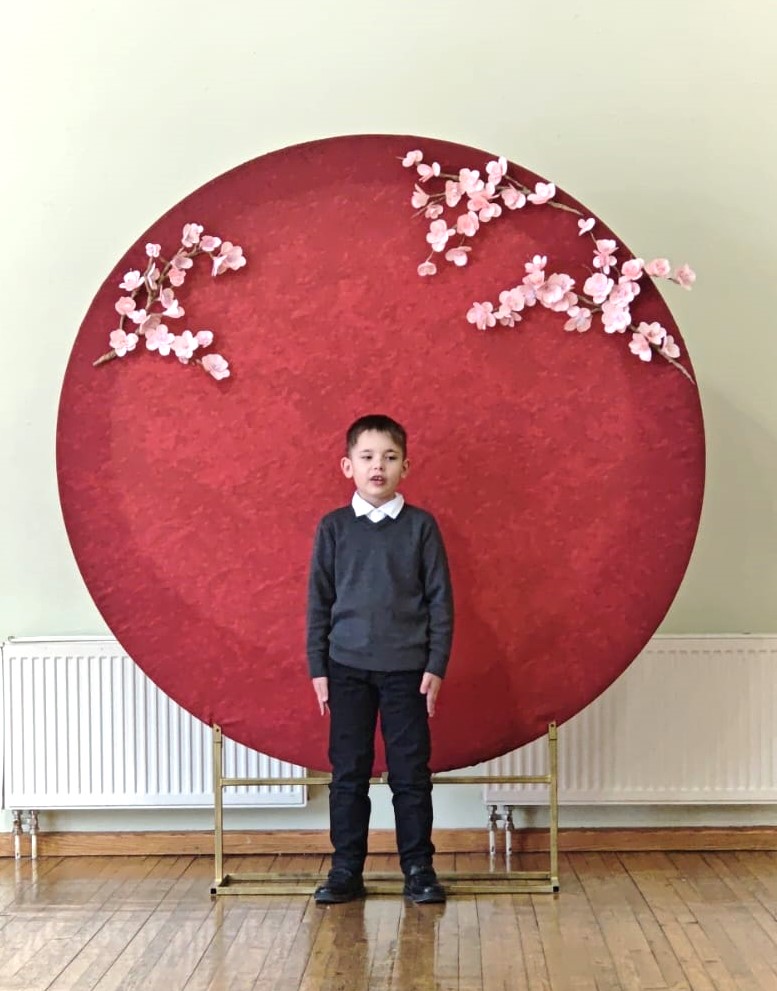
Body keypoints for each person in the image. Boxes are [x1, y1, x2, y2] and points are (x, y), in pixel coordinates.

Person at [306, 414, 454, 904]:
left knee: (411, 773)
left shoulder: (421, 527)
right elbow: (318, 601)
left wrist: (436, 664)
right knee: (348, 773)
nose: (378, 467)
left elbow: (440, 601)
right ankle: (346, 868)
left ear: (405, 467)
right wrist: (318, 667)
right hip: (346, 668)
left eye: (390, 458)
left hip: (407, 670)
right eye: (367, 457)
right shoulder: (333, 528)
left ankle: (419, 868)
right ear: (347, 465)